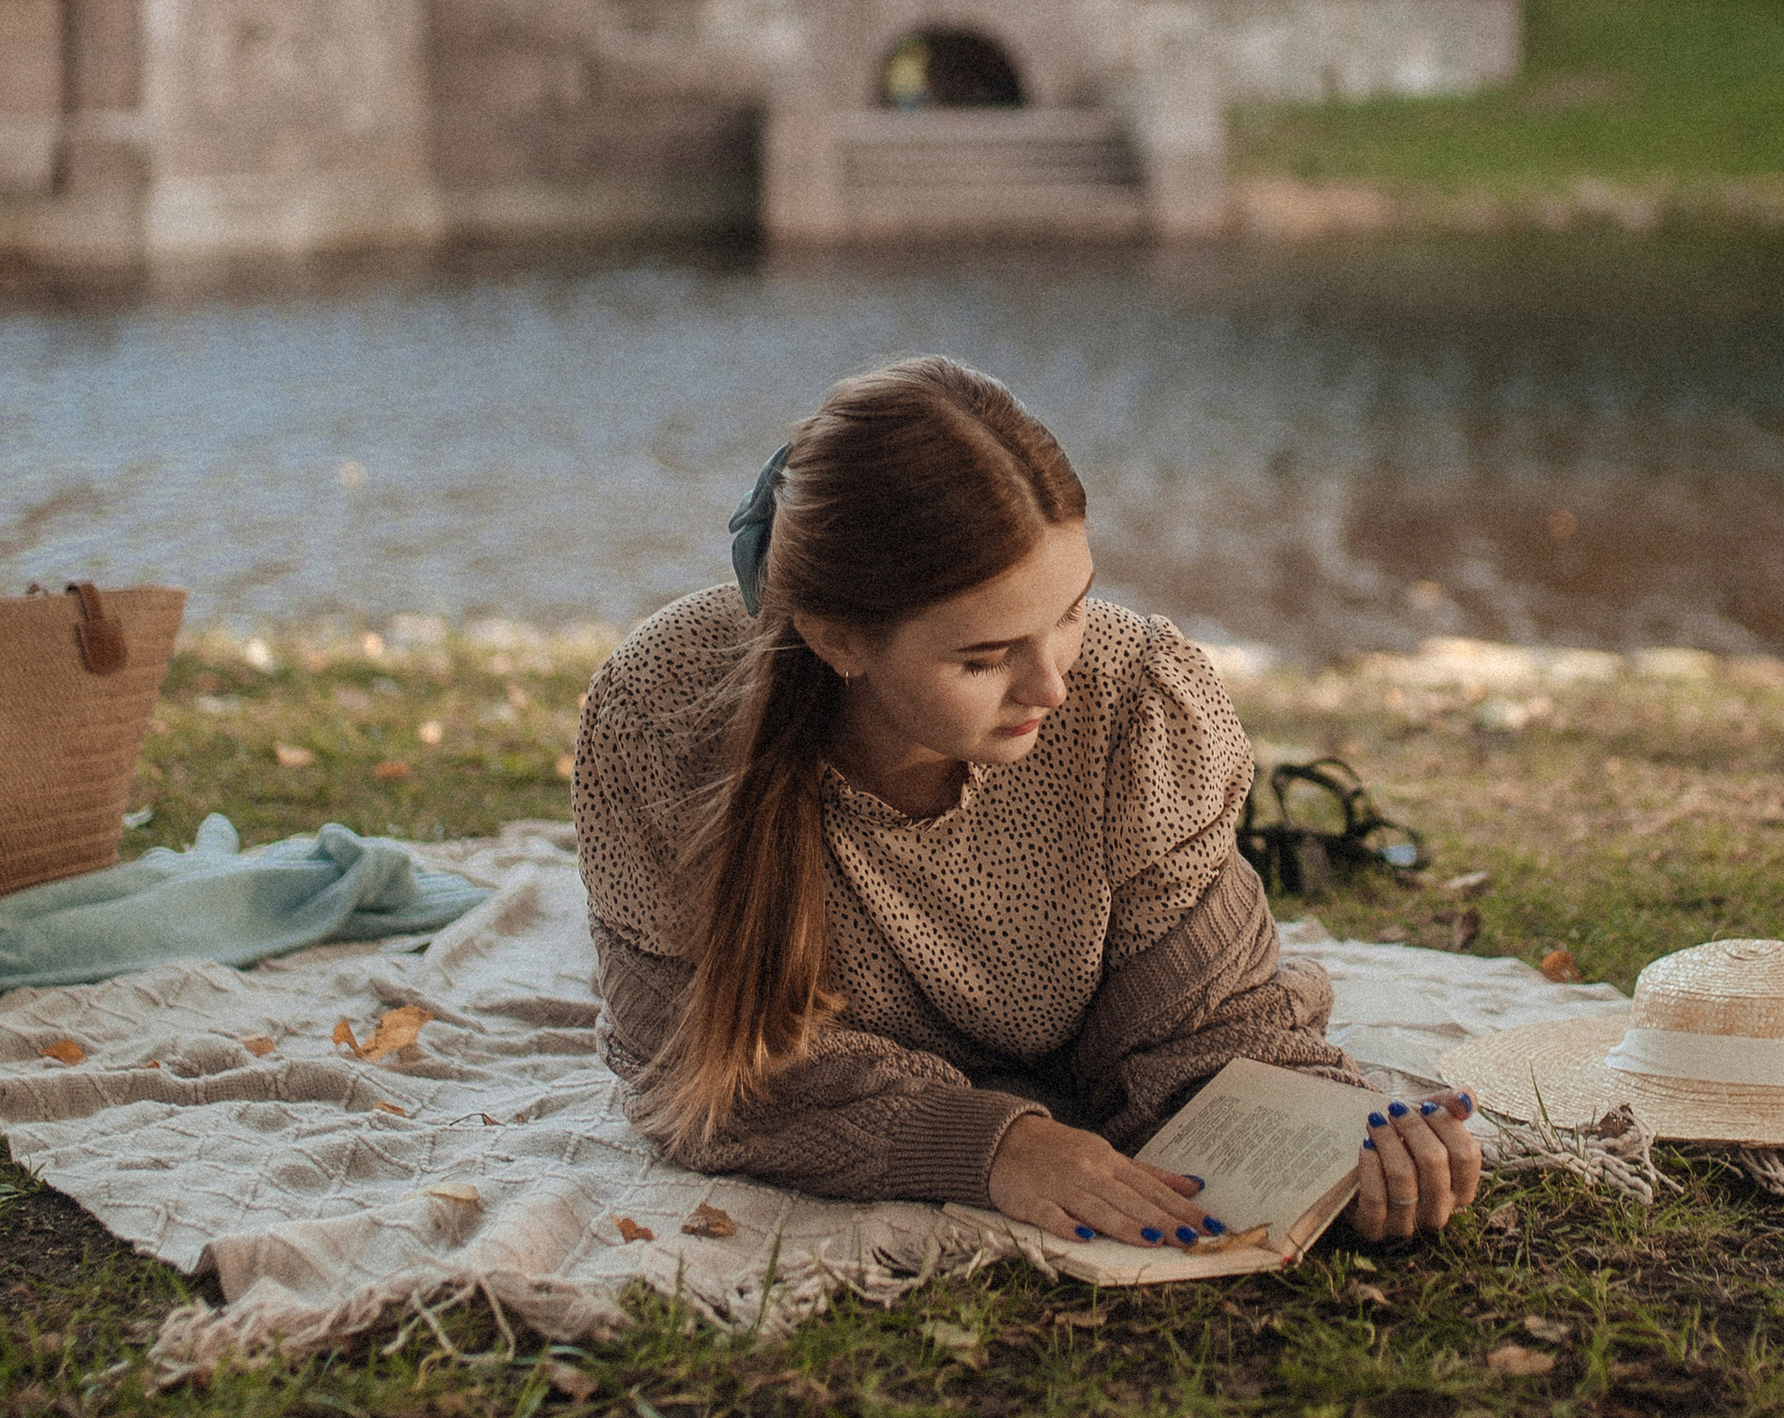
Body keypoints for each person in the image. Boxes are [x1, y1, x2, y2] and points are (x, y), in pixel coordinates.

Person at [574, 355, 1480, 1251]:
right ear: (837, 639)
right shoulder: (660, 718)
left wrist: (1334, 1140)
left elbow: (1207, 1026)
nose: (1050, 684)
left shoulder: (1135, 704)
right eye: (984, 658)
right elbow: (689, 1061)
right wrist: (992, 1146)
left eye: (1072, 610)